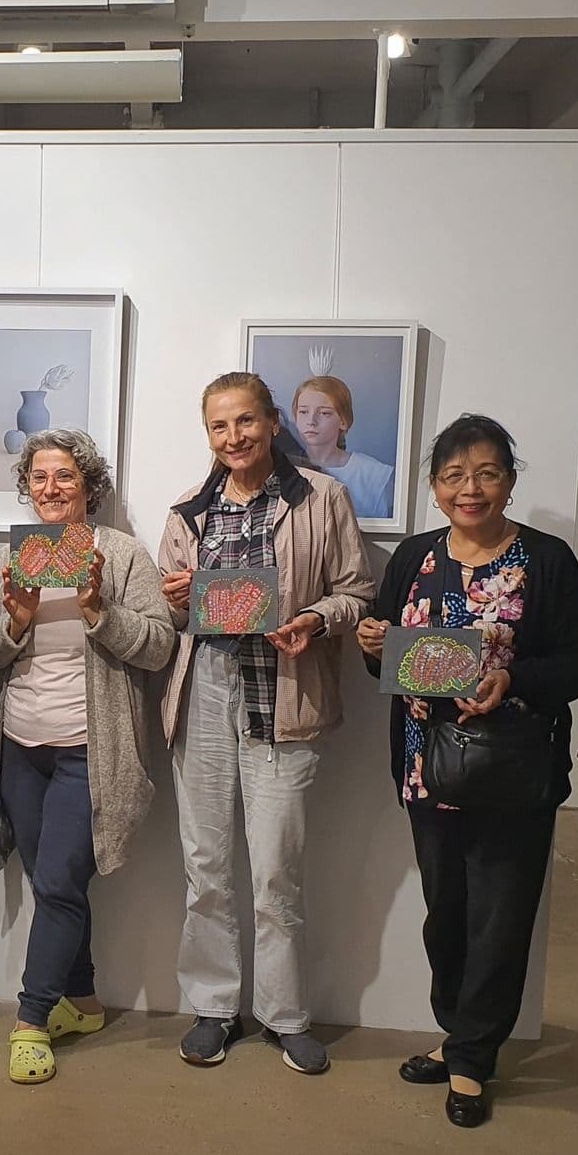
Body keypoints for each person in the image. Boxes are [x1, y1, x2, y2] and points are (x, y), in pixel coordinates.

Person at [357, 415, 578, 1127]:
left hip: (512, 770)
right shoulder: (414, 556)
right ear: (435, 487)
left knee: (501, 914)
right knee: (447, 913)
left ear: (510, 481)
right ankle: (457, 1031)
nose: (471, 488)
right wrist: (373, 644)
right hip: (425, 766)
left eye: (487, 473)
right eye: (454, 475)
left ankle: (472, 1057)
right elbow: (387, 657)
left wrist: (511, 678)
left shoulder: (547, 559)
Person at [157, 371, 374, 1074]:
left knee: (277, 871)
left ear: (273, 421)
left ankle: (285, 1015)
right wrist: (176, 599)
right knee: (206, 865)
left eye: (245, 421)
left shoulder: (321, 497)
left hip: (283, 691)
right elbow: (169, 614)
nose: (234, 437)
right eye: (219, 426)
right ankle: (215, 1007)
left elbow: (356, 592)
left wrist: (313, 618)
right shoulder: (188, 510)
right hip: (205, 692)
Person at [0, 429, 174, 1085]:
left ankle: (32, 1020)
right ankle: (83, 1002)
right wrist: (17, 622)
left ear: (89, 486)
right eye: (39, 477)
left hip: (90, 752)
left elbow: (159, 647)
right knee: (53, 885)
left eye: (64, 476)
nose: (51, 488)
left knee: (58, 884)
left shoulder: (121, 555)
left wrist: (97, 610)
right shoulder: (10, 559)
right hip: (19, 749)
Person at [286, 374, 396, 520]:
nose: (311, 421)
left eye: (324, 413)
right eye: (303, 412)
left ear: (343, 421)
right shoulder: (285, 469)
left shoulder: (374, 475)